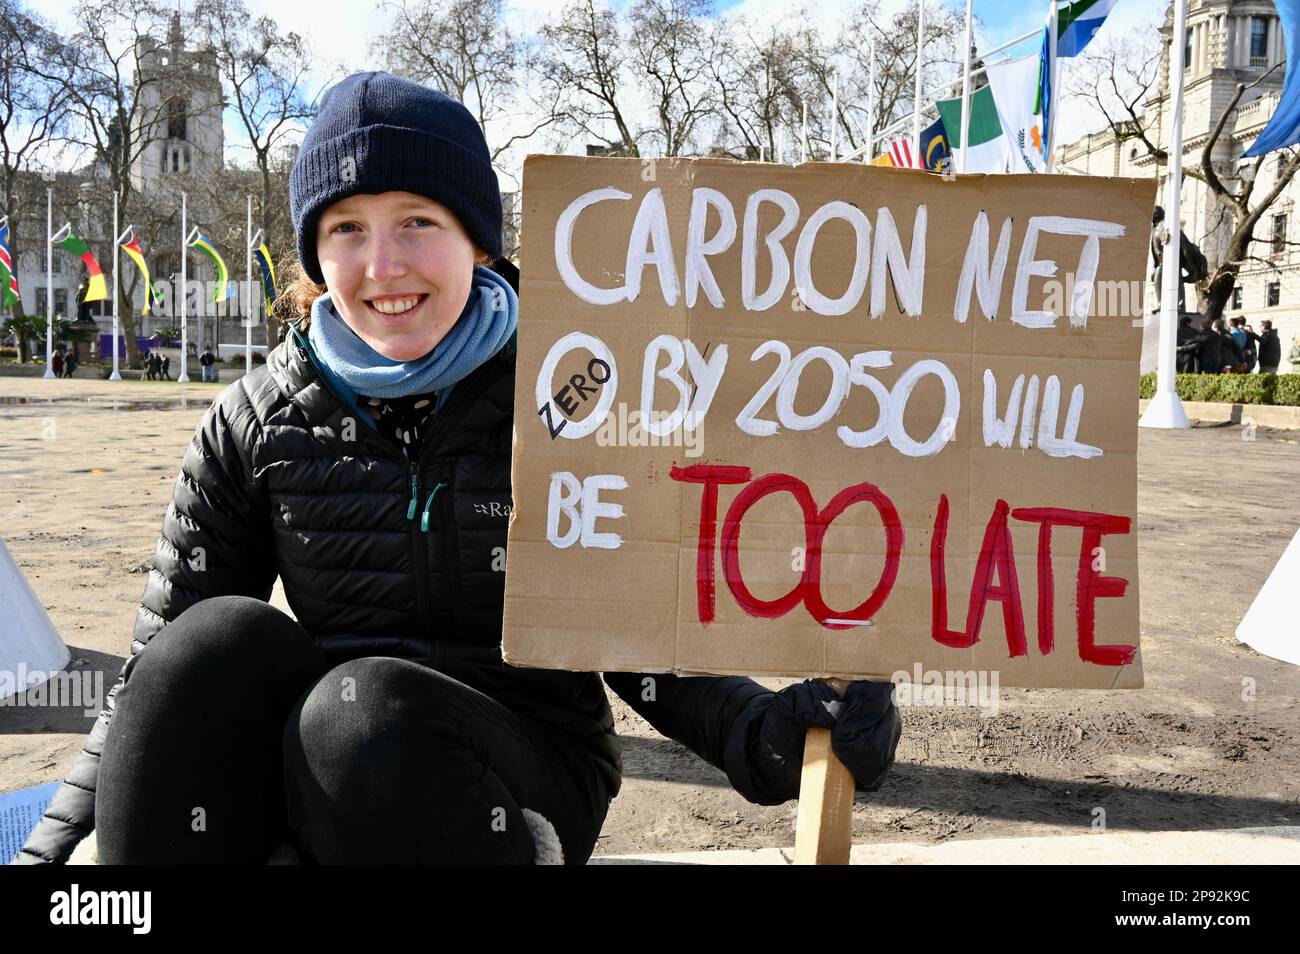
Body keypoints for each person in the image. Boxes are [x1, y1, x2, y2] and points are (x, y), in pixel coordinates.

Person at [13, 72, 902, 866]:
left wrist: (771, 736)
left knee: (358, 717)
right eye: (348, 229)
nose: (383, 265)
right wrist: (54, 859)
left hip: (516, 768)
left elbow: (645, 645)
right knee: (207, 648)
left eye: (417, 223)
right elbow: (151, 691)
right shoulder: (254, 418)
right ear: (315, 256)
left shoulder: (574, 396)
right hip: (318, 769)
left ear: (476, 241)